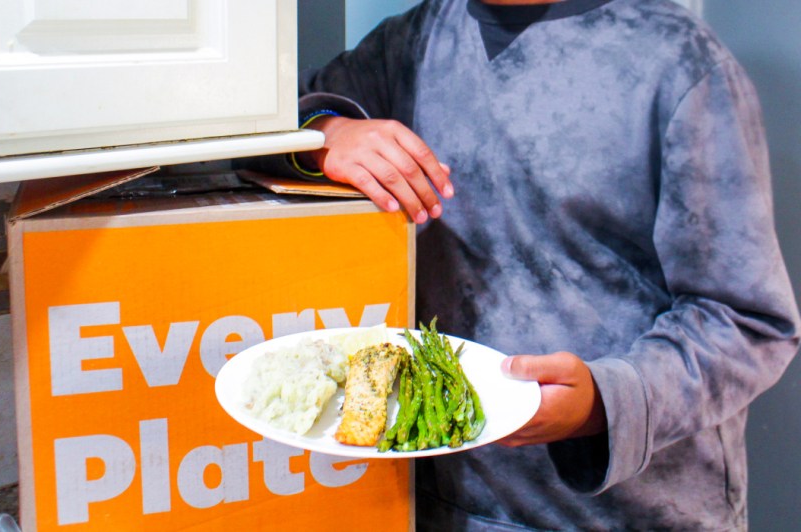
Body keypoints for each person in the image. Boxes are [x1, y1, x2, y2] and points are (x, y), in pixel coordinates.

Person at [276, 0, 800, 529]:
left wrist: (606, 401)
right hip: (453, 505)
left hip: (636, 513)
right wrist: (328, 134)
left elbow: (751, 323)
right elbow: (274, 115)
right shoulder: (412, 42)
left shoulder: (680, 61)